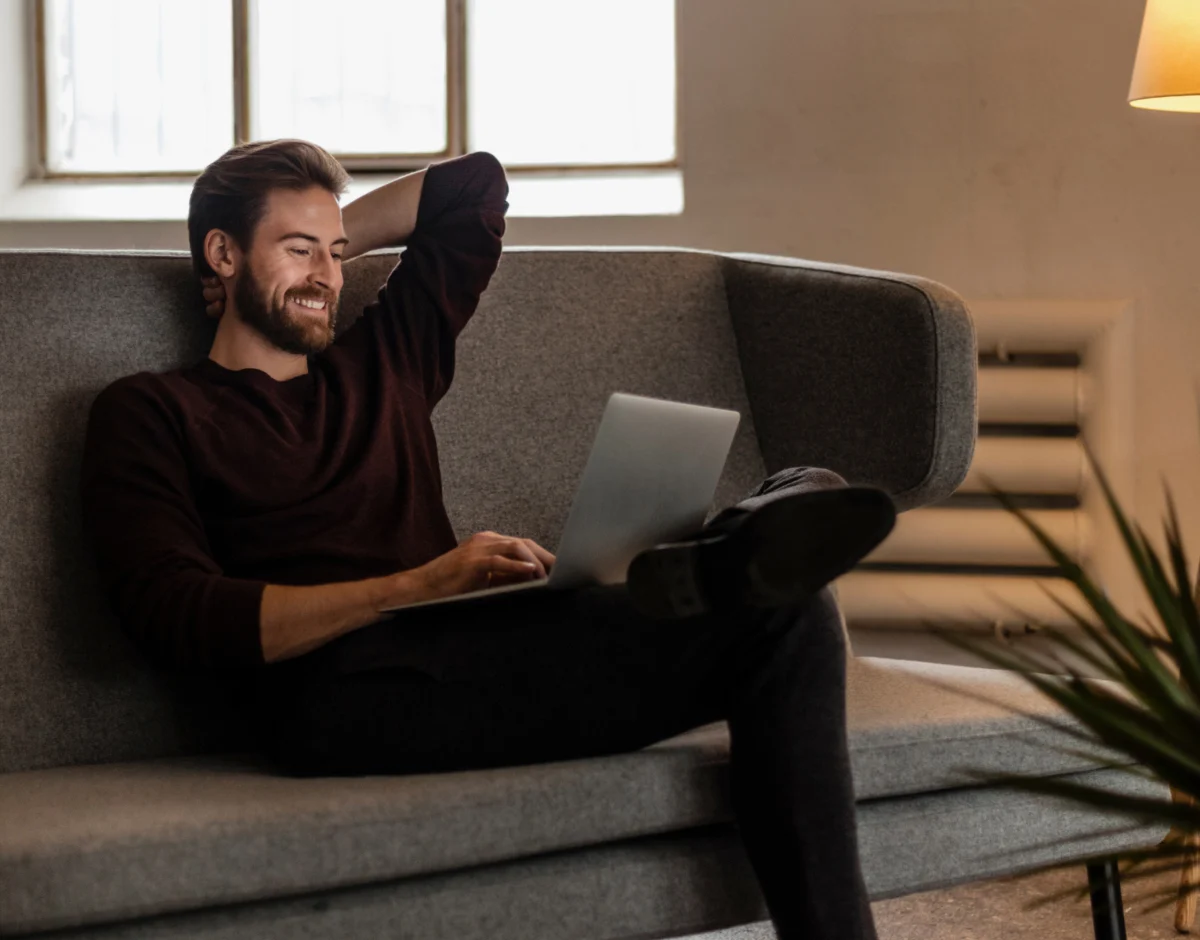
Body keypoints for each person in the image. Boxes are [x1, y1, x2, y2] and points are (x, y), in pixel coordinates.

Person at [79, 138, 897, 940]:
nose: (327, 276)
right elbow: (176, 614)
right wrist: (417, 585)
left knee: (805, 493)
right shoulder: (151, 412)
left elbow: (474, 192)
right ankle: (714, 571)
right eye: (299, 251)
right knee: (783, 606)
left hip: (468, 640)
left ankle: (718, 560)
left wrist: (321, 236)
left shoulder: (382, 366)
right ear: (221, 254)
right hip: (343, 694)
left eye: (335, 255)